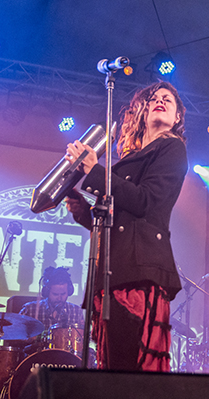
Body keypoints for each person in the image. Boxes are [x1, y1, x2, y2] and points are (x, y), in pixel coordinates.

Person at [65, 81, 188, 372]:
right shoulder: (127, 160)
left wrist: (95, 171)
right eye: (153, 98)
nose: (159, 100)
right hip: (112, 272)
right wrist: (84, 213)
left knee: (132, 370)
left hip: (139, 274)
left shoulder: (172, 148)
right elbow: (116, 220)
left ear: (177, 117)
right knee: (112, 366)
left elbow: (145, 201)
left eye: (167, 99)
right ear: (142, 112)